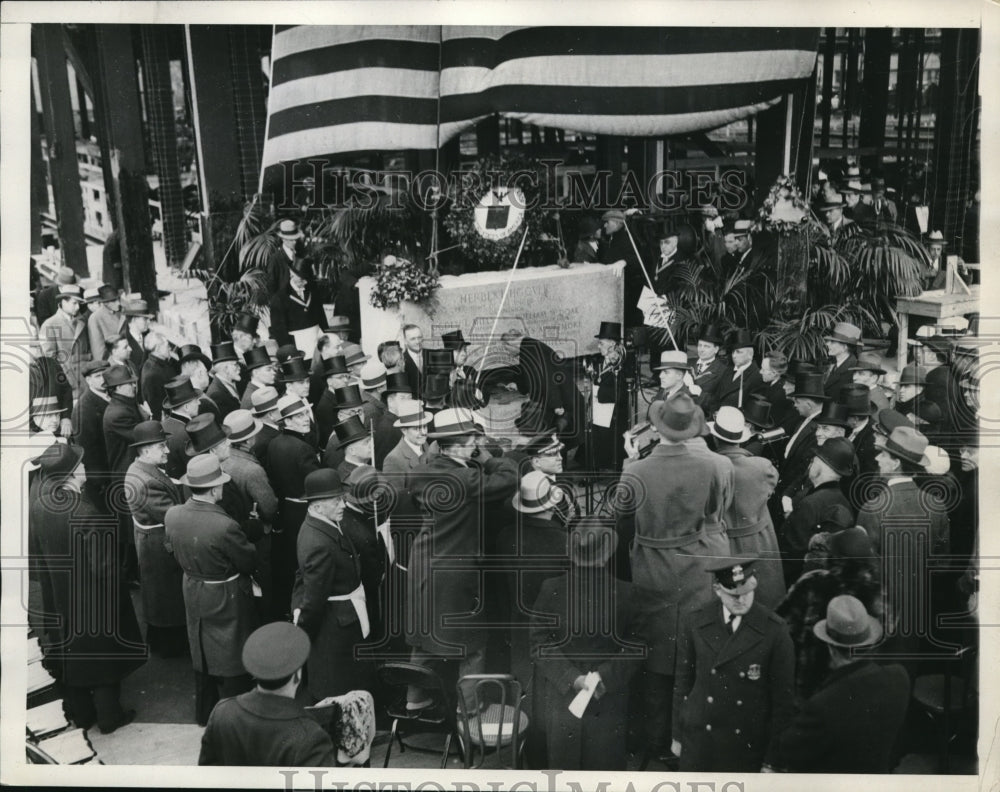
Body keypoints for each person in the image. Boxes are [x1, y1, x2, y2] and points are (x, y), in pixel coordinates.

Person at [616, 393, 731, 761]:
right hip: (695, 564)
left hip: (651, 566)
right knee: (690, 653)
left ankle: (653, 740)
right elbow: (715, 511)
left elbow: (620, 513)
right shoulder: (714, 465)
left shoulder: (636, 470)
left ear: (657, 428)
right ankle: (683, 740)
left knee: (653, 652)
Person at [405, 408, 519, 711]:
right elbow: (509, 478)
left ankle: (414, 700)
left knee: (424, 636)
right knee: (472, 645)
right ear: (457, 444)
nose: (475, 444)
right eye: (472, 440)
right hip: (454, 570)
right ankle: (469, 710)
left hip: (422, 563)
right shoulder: (465, 477)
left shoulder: (420, 471)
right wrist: (488, 459)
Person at [29, 443, 145, 733]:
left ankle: (82, 715)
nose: (84, 468)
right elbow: (105, 568)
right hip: (93, 599)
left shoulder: (41, 505)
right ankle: (110, 717)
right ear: (70, 475)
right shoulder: (85, 512)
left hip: (61, 596)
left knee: (74, 659)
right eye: (79, 465)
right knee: (103, 662)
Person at [529, 516, 642, 771]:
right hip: (609, 698)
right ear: (606, 554)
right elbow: (636, 648)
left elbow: (539, 644)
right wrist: (605, 676)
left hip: (562, 698)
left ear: (573, 553)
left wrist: (571, 678)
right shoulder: (627, 593)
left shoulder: (551, 589)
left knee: (562, 768)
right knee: (605, 770)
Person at [672, 557, 795, 772]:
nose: (742, 600)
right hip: (700, 740)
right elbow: (683, 683)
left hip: (746, 746)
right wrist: (677, 735)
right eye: (733, 595)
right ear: (718, 590)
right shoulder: (695, 621)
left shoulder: (775, 630)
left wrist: (773, 759)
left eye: (747, 592)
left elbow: (783, 702)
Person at [165, 454, 259, 725]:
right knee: (231, 649)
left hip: (192, 585)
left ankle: (205, 712)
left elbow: (169, 547)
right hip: (226, 592)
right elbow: (248, 560)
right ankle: (236, 714)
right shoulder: (225, 525)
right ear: (216, 488)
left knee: (200, 644)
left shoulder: (173, 514)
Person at [772, 595, 909, 773]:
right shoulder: (899, 678)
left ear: (830, 647)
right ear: (868, 642)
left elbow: (789, 749)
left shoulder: (823, 706)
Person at [199, 622, 338, 766]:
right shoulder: (312, 736)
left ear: (255, 672)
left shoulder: (222, 713)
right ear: (298, 675)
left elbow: (206, 776)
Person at [291, 469, 375, 699]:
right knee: (337, 691)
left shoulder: (322, 523)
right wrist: (302, 629)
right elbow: (315, 599)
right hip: (335, 630)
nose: (343, 505)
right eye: (336, 501)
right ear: (317, 506)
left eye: (342, 499)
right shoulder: (318, 542)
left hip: (342, 621)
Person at [775, 527, 885, 700]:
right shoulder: (881, 594)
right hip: (862, 691)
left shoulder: (812, 584)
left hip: (811, 688)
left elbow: (781, 626)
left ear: (833, 556)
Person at [708, 407, 785, 608]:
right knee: (766, 597)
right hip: (758, 541)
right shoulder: (762, 467)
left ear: (715, 439)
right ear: (741, 439)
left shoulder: (709, 468)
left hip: (723, 544)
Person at [124, 421, 188, 659]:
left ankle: (166, 641)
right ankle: (171, 647)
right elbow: (173, 515)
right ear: (146, 449)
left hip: (152, 542)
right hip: (159, 546)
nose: (167, 450)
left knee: (162, 596)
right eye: (162, 446)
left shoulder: (141, 470)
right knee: (167, 597)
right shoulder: (146, 482)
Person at [265, 394, 320, 620]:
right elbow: (316, 483)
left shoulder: (274, 443)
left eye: (305, 413)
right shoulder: (303, 449)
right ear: (286, 421)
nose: (305, 419)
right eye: (298, 416)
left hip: (286, 511)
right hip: (304, 512)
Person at [222, 409, 279, 619]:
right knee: (263, 581)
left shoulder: (223, 459)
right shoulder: (252, 470)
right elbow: (269, 507)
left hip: (235, 532)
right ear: (249, 439)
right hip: (257, 535)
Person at [779, 437, 855, 584]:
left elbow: (790, 556)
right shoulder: (843, 501)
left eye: (813, 461)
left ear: (820, 466)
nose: (810, 465)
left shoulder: (810, 504)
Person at [587, 321, 630, 471]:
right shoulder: (599, 361)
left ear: (612, 344)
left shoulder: (623, 363)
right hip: (600, 411)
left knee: (609, 439)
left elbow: (622, 392)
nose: (598, 346)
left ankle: (612, 470)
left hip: (615, 413)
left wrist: (599, 393)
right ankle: (594, 468)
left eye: (601, 343)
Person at [38, 283, 91, 400]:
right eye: (74, 303)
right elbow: (50, 360)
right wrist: (67, 379)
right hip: (68, 384)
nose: (78, 307)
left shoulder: (82, 322)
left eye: (79, 303)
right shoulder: (49, 325)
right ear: (63, 301)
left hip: (85, 381)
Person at [268, 258, 329, 352]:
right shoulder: (279, 298)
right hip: (297, 347)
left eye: (307, 279)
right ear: (292, 274)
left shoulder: (313, 291)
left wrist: (328, 337)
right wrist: (289, 351)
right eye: (302, 279)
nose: (306, 282)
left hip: (317, 344)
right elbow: (279, 330)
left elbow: (322, 318)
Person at [72, 359, 111, 497]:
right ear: (88, 380)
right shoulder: (83, 409)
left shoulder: (111, 394)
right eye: (98, 376)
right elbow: (87, 452)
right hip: (104, 479)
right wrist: (101, 481)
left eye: (105, 374)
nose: (103, 379)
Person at [598, 209, 644, 327]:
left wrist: (624, 262)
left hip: (627, 294)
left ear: (617, 223)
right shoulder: (613, 238)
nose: (605, 225)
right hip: (615, 291)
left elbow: (639, 259)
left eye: (607, 222)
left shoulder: (626, 239)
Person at [710, 329, 765, 416]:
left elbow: (751, 410)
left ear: (750, 355)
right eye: (733, 352)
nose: (734, 356)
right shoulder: (728, 370)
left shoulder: (757, 377)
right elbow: (716, 396)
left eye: (739, 352)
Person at [139, 330, 178, 421]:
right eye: (167, 345)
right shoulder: (153, 374)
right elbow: (156, 407)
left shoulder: (155, 364)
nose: (170, 348)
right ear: (158, 348)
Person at [691, 324, 729, 413]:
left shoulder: (723, 371)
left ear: (716, 349)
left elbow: (719, 402)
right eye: (700, 345)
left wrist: (700, 394)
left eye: (706, 346)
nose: (701, 349)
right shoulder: (689, 363)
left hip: (702, 415)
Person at [264, 218, 303, 297]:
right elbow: (271, 288)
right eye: (291, 240)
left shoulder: (300, 256)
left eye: (295, 239)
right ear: (283, 239)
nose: (294, 242)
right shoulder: (275, 259)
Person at [822, 322, 861, 400]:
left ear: (844, 347)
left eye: (832, 342)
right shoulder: (834, 362)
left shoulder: (853, 370)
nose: (827, 344)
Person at [206, 341, 243, 421]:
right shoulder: (216, 394)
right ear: (226, 369)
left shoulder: (232, 383)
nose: (239, 368)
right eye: (235, 365)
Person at [86, 284, 124, 361]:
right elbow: (98, 352)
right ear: (105, 303)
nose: (118, 303)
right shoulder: (95, 318)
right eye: (114, 300)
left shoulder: (121, 312)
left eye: (118, 299)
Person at [400, 323, 426, 399]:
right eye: (413, 339)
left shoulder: (433, 355)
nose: (417, 341)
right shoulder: (400, 362)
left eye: (419, 337)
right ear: (405, 341)